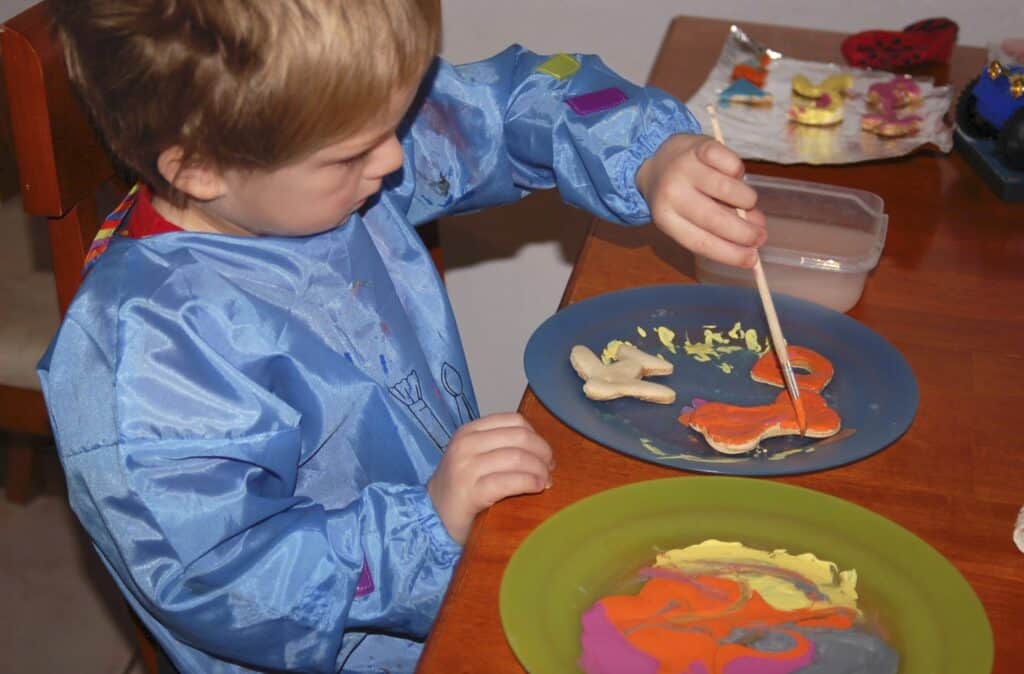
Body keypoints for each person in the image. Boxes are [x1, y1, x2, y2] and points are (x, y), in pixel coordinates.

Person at [38, 1, 766, 672]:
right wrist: (428, 523)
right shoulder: (145, 354)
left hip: (468, 553)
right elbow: (221, 579)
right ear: (197, 168)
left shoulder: (310, 145)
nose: (392, 160)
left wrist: (646, 153)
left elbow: (513, 100)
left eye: (398, 119)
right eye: (352, 154)